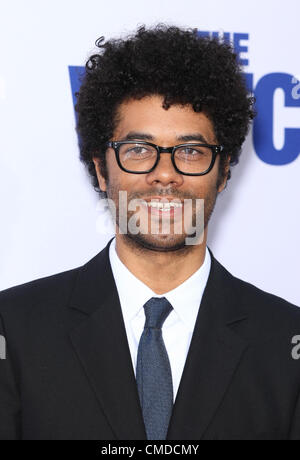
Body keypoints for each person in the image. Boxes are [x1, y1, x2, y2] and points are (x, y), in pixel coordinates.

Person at [0, 24, 300, 441]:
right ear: (101, 169)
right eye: (138, 150)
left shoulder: (286, 342)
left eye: (191, 152)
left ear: (224, 169)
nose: (164, 175)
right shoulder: (13, 331)